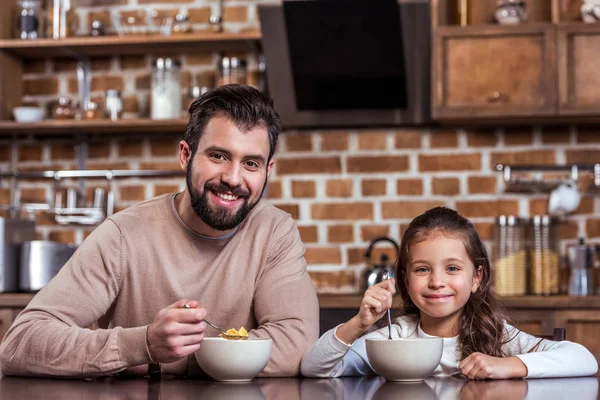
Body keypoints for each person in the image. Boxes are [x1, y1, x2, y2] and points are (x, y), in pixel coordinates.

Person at [0, 84, 319, 378]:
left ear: (268, 170)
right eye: (218, 156)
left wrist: (171, 355)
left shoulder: (275, 232)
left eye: (251, 163)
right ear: (186, 155)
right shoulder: (123, 235)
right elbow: (19, 344)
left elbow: (298, 346)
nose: (234, 178)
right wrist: (143, 344)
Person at [301, 206, 598, 379]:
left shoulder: (497, 336)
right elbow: (314, 368)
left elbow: (584, 360)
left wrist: (508, 364)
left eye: (452, 269)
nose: (436, 282)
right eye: (421, 269)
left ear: (476, 278)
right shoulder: (392, 340)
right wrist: (359, 325)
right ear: (404, 277)